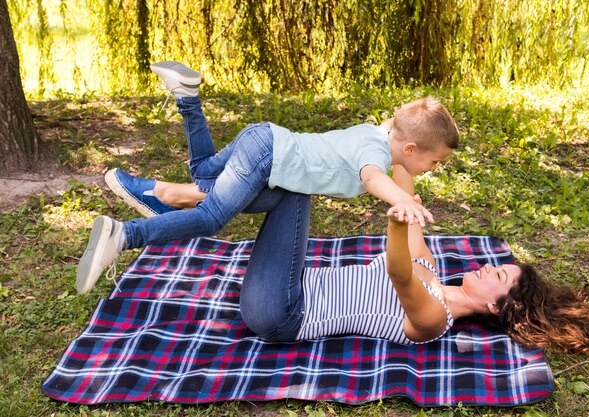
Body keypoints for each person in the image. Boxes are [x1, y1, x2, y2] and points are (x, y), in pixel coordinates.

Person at [96, 160, 589, 355]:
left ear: (496, 307)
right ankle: (176, 198)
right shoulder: (433, 269)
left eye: (498, 275)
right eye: (497, 263)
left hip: (278, 313)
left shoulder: (435, 318)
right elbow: (405, 183)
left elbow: (397, 272)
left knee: (295, 187)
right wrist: (410, 153)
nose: (487, 265)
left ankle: (171, 200)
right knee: (288, 178)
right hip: (282, 285)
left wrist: (397, 220)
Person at [76, 61, 458, 294]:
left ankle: (187, 95)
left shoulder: (381, 133)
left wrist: (409, 184)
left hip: (263, 138)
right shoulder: (374, 154)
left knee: (204, 170)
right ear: (409, 149)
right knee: (211, 217)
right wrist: (400, 200)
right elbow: (375, 177)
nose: (433, 169)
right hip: (267, 157)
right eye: (435, 162)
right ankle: (124, 234)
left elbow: (401, 140)